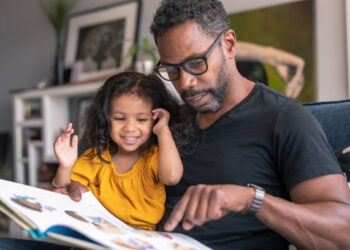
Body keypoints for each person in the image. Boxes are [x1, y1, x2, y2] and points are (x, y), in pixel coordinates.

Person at [147, 0, 350, 249]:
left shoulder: (283, 118)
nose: (185, 83)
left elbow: (344, 236)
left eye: (196, 63)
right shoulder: (168, 121)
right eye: (172, 70)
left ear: (229, 44)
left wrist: (251, 200)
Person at [52, 71, 186, 231]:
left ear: (155, 119)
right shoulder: (96, 157)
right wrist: (65, 166)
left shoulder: (154, 156)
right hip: (96, 230)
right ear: (106, 118)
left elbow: (172, 177)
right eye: (119, 118)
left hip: (138, 238)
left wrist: (163, 129)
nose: (129, 128)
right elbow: (62, 192)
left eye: (142, 119)